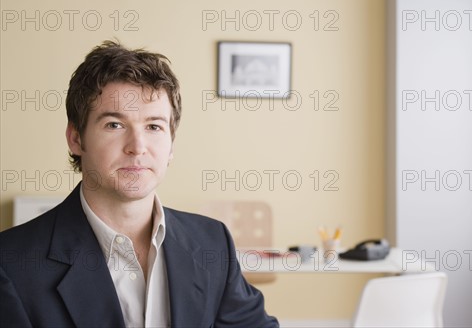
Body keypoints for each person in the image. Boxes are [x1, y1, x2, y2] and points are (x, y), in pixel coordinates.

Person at [0, 41, 279, 328]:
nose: (137, 147)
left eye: (154, 126)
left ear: (171, 144)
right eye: (114, 125)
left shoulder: (212, 241)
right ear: (76, 139)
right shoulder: (11, 263)